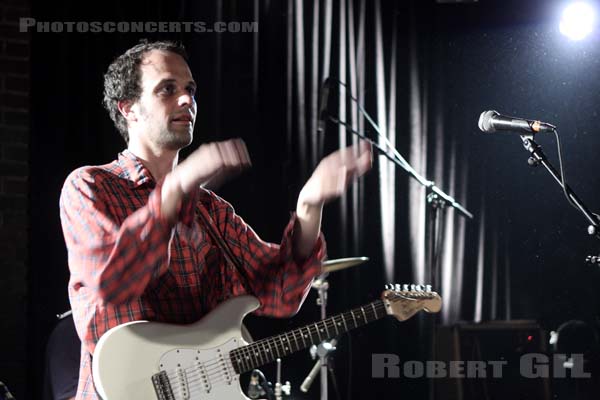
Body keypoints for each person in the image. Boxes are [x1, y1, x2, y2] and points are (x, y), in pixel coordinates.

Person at [59, 40, 372, 399]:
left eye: (190, 90)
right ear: (128, 108)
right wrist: (175, 189)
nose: (186, 100)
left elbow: (279, 294)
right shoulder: (91, 186)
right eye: (167, 89)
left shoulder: (211, 210)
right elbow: (113, 286)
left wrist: (309, 206)